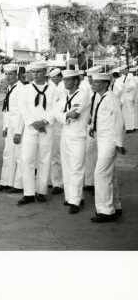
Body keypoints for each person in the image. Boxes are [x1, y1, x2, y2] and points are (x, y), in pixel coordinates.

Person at [17, 61, 57, 205]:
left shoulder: (53, 89)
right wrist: (34, 123)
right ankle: (28, 193)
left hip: (46, 129)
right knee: (27, 159)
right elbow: (23, 108)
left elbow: (56, 108)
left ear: (45, 72)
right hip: (31, 129)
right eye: (33, 72)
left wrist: (44, 121)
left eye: (39, 72)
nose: (36, 74)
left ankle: (41, 191)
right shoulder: (26, 89)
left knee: (44, 160)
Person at [89, 72, 125, 223]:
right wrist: (93, 127)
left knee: (100, 174)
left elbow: (119, 121)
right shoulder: (102, 97)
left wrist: (119, 143)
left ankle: (106, 211)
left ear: (104, 84)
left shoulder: (111, 98)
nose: (93, 84)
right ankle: (116, 206)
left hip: (109, 141)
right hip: (102, 140)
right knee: (110, 174)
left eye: (96, 82)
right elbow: (102, 118)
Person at [55, 70, 90, 214]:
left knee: (76, 168)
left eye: (68, 80)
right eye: (64, 80)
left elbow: (74, 115)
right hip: (65, 135)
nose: (65, 83)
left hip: (78, 136)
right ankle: (70, 197)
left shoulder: (82, 95)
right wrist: (64, 115)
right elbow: (56, 113)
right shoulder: (65, 96)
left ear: (76, 81)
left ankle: (76, 200)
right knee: (67, 167)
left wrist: (63, 115)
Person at [0, 64, 24, 194]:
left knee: (19, 157)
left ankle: (18, 185)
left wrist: (18, 132)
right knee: (8, 155)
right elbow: (7, 111)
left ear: (16, 75)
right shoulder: (10, 88)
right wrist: (5, 126)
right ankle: (5, 182)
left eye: (11, 74)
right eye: (7, 74)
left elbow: (22, 112)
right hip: (10, 128)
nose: (8, 77)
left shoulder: (21, 89)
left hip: (17, 129)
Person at [83, 65, 103, 193]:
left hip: (102, 127)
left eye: (92, 77)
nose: (90, 80)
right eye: (88, 77)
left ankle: (99, 182)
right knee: (89, 153)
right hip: (89, 126)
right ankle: (89, 182)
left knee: (100, 155)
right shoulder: (86, 90)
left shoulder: (103, 91)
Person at [47, 68, 65, 195]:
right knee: (51, 155)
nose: (53, 79)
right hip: (51, 125)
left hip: (60, 125)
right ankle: (53, 181)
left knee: (57, 156)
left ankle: (58, 183)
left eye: (55, 77)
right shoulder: (52, 88)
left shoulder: (62, 88)